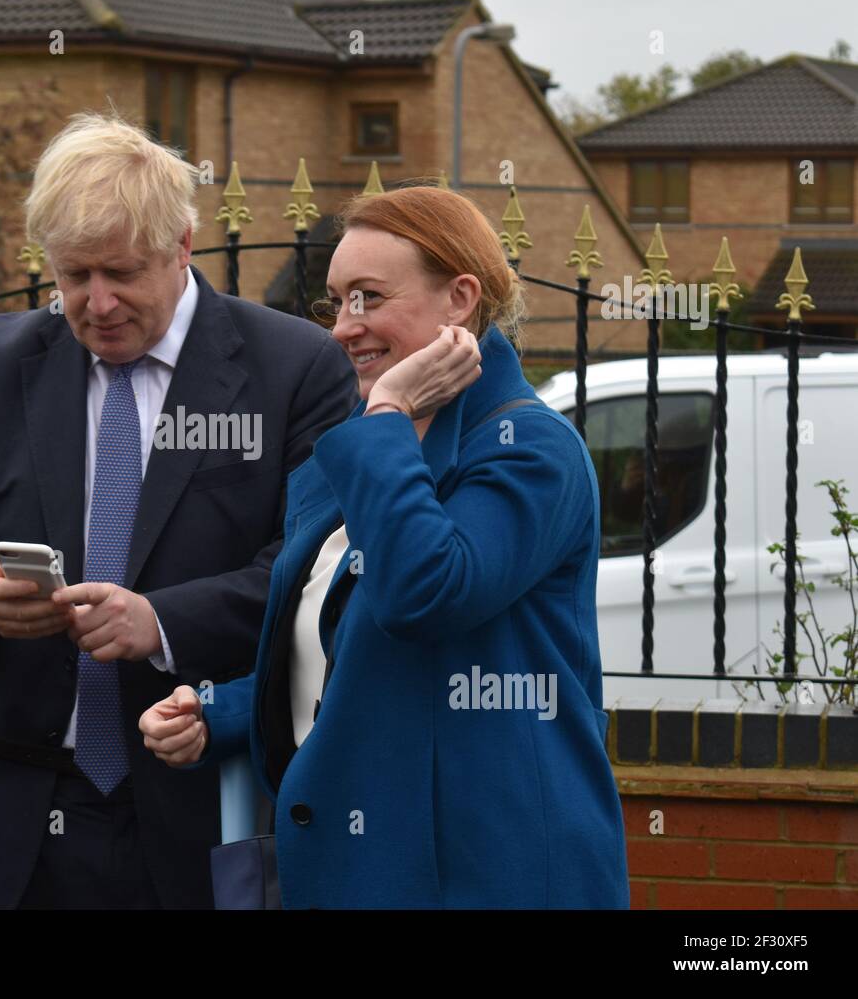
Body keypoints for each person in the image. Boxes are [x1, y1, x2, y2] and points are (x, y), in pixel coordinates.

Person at [0, 112, 357, 909]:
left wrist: (160, 622)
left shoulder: (292, 369)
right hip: (10, 821)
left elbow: (311, 574)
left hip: (199, 807)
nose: (95, 303)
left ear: (183, 246)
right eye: (72, 275)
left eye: (122, 273)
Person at [140, 185, 629, 909]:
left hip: (489, 873)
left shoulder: (529, 449)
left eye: (367, 297)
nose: (343, 326)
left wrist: (390, 411)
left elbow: (423, 593)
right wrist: (219, 711)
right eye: (335, 301)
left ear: (460, 298)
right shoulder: (354, 456)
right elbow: (348, 659)